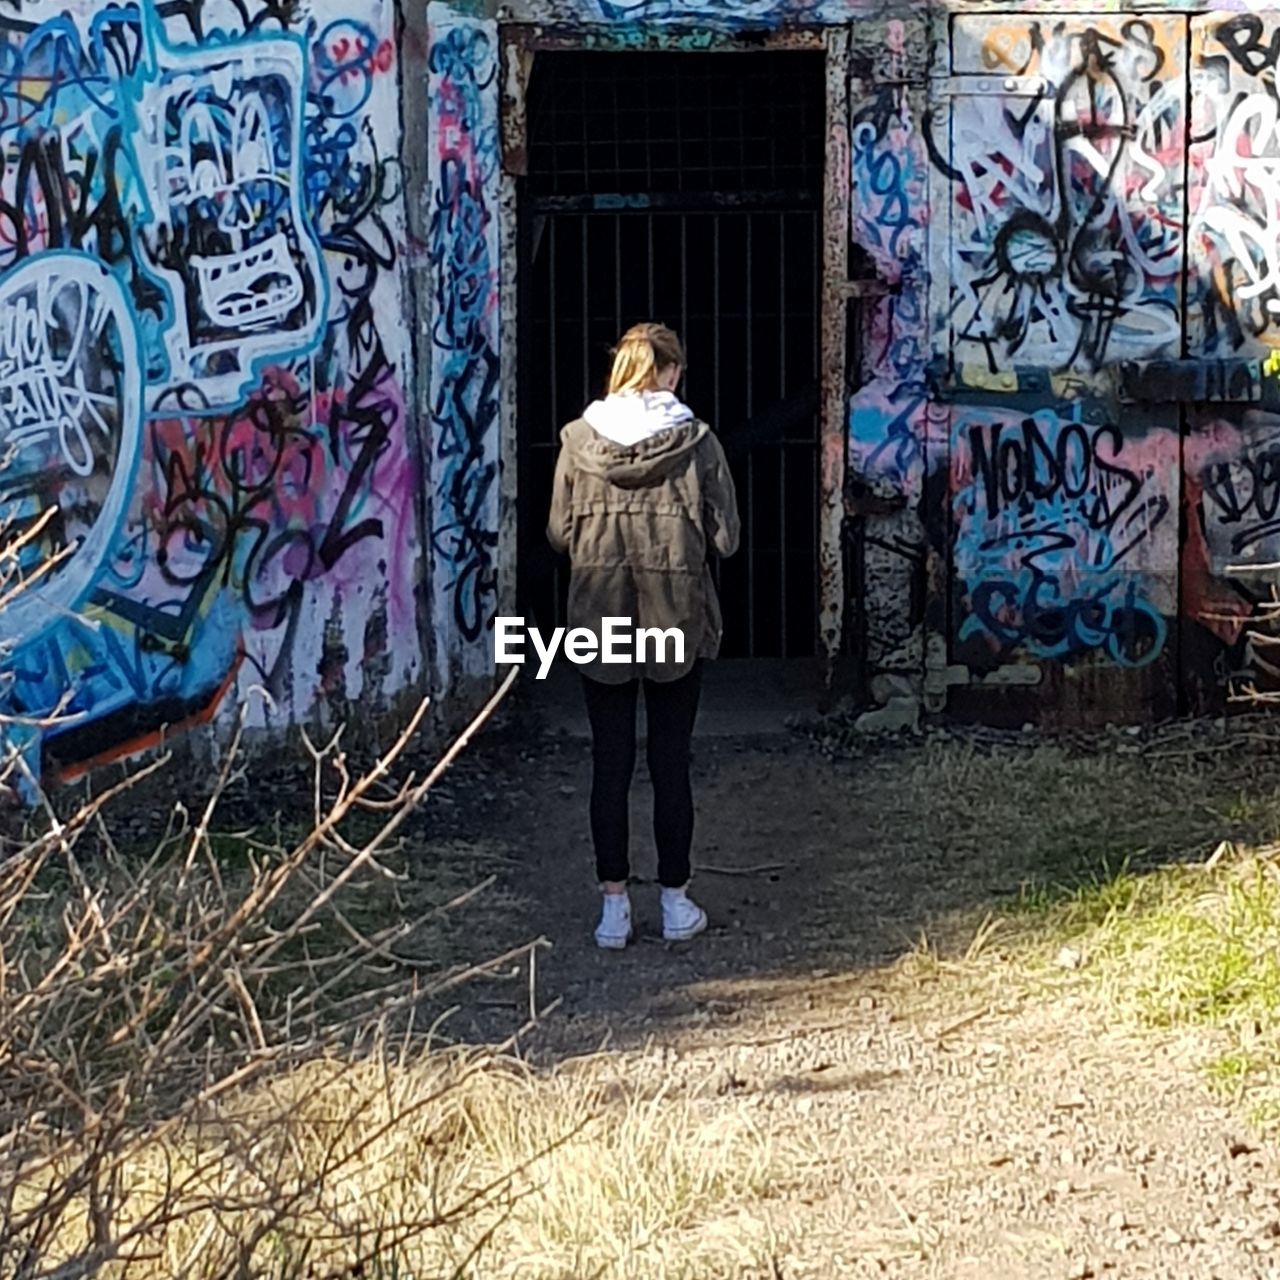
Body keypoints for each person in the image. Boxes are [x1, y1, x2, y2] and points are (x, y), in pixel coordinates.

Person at [547, 322, 741, 949]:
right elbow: (727, 539)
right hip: (675, 616)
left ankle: (613, 911)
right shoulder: (698, 442)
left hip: (598, 619)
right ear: (670, 372)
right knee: (669, 762)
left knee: (609, 762)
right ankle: (676, 903)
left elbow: (558, 533)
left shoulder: (577, 440)